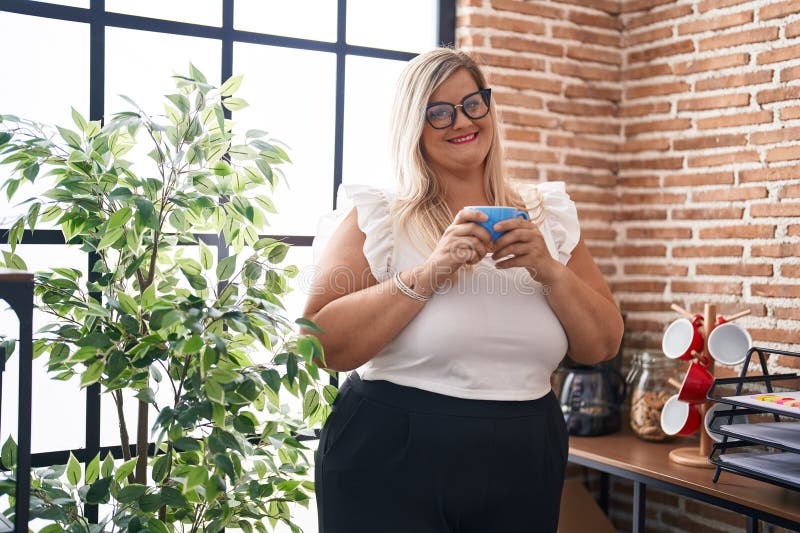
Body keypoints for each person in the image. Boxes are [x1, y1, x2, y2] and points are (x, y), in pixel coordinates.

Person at [302, 47, 624, 533]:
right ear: (414, 125)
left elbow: (602, 343)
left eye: (474, 103)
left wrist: (549, 270)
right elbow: (319, 343)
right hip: (389, 454)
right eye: (439, 112)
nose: (462, 120)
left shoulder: (547, 215)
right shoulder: (380, 215)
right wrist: (430, 271)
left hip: (526, 453)